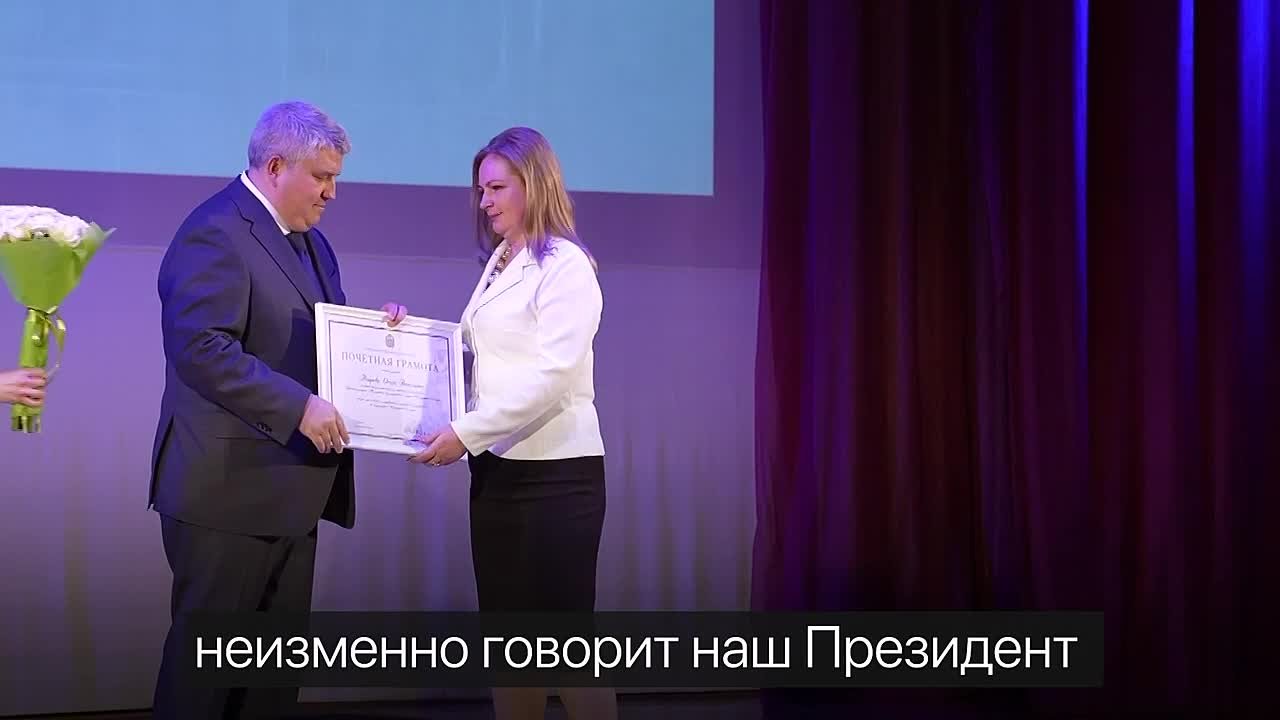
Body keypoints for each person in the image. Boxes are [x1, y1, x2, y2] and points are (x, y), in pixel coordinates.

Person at [148, 100, 407, 720]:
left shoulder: (313, 245)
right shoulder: (215, 231)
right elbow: (200, 347)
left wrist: (377, 337)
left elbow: (315, 336)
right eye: (321, 177)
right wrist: (297, 407)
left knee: (270, 686)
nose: (332, 192)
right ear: (274, 167)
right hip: (226, 499)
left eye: (335, 177)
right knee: (204, 685)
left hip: (290, 495)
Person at [410, 127, 616, 720]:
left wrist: (466, 434)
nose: (485, 202)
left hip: (557, 477)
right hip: (498, 473)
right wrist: (400, 333)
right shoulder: (502, 261)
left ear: (535, 183)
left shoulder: (566, 265)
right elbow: (477, 354)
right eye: (481, 190)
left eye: (497, 188)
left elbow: (551, 375)